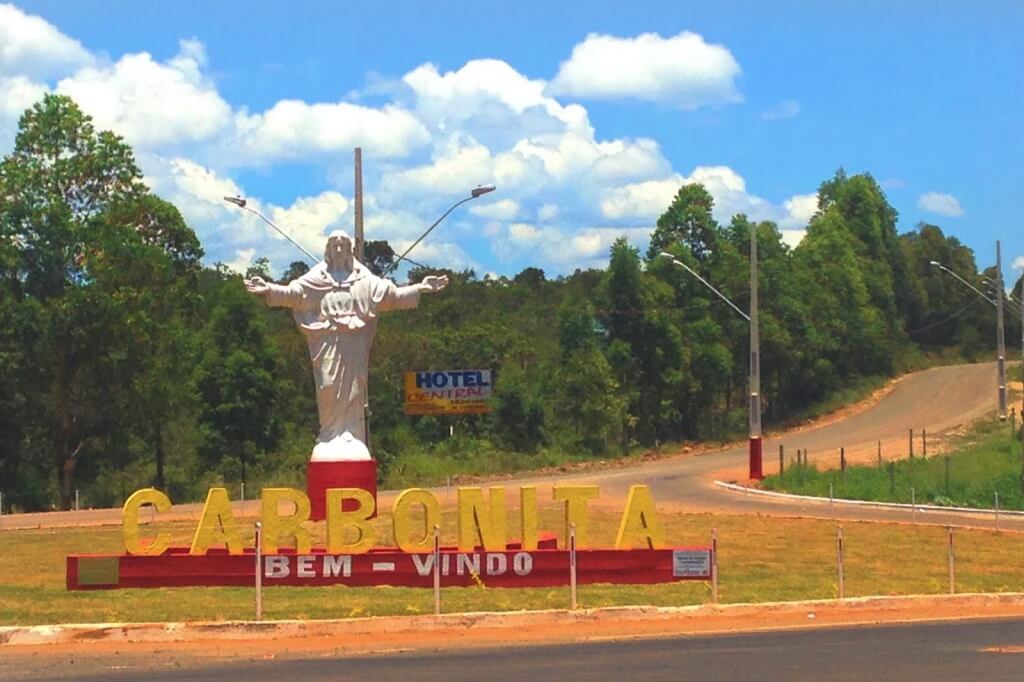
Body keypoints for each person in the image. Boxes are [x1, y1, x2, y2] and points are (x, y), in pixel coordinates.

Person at [245, 230, 447, 461]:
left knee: (355, 388)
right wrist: (269, 289)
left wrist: (420, 287)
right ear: (329, 250)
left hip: (354, 341)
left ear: (350, 249)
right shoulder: (317, 278)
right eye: (335, 245)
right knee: (327, 385)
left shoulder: (364, 280)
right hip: (327, 340)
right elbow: (295, 294)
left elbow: (391, 296)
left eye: (343, 245)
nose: (339, 249)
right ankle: (329, 434)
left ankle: (351, 434)